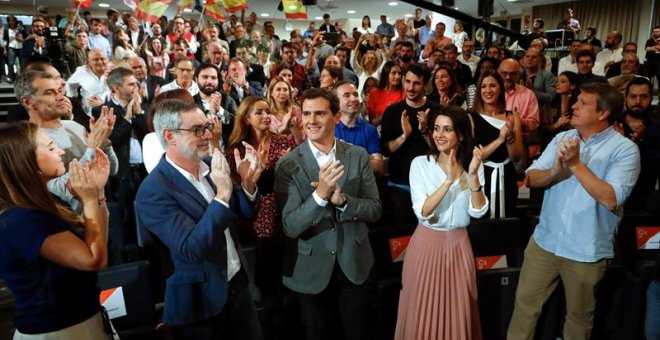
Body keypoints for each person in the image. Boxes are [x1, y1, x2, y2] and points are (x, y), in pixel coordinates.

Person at [508, 83, 640, 340]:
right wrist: (557, 172)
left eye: (582, 103)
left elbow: (611, 199)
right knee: (524, 308)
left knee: (578, 321)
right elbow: (531, 179)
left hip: (586, 251)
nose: (574, 106)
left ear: (603, 113)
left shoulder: (624, 150)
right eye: (576, 100)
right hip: (544, 243)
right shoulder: (561, 138)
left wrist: (575, 164)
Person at [136, 99, 262, 340]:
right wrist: (222, 196)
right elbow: (191, 248)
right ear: (170, 137)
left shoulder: (208, 166)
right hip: (200, 304)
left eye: (207, 127)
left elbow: (245, 214)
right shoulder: (153, 190)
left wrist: (246, 184)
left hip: (238, 287)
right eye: (197, 130)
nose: (208, 135)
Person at [274, 88, 381, 340]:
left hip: (354, 264)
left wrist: (343, 201)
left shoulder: (357, 156)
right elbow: (290, 226)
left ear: (336, 116)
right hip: (311, 270)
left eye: (320, 113)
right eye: (307, 114)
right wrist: (319, 196)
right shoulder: (287, 165)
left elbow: (374, 209)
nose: (311, 121)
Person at [0, 121, 113, 339]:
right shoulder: (20, 221)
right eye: (51, 148)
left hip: (83, 321)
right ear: (25, 162)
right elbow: (93, 260)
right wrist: (88, 200)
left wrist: (98, 195)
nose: (61, 151)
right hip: (57, 332)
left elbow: (97, 244)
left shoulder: (47, 202)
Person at [394, 107, 488, 340]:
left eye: (447, 129)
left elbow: (478, 212)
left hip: (459, 245)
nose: (439, 135)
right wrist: (448, 181)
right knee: (422, 310)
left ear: (462, 135)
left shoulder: (473, 166)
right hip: (427, 245)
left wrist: (473, 176)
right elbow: (423, 211)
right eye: (436, 129)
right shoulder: (420, 164)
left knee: (459, 308)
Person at [226, 96, 296, 313]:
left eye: (268, 112)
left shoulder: (283, 142)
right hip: (254, 214)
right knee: (266, 277)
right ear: (247, 118)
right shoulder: (237, 150)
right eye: (260, 112)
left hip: (284, 208)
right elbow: (237, 189)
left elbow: (294, 178)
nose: (267, 116)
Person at [380, 63, 439, 228]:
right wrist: (404, 136)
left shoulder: (436, 111)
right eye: (408, 82)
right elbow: (385, 150)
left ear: (425, 85)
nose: (410, 88)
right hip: (399, 184)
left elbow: (441, 150)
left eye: (416, 83)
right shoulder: (392, 111)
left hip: (430, 186)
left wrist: (425, 131)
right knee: (402, 237)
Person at [470, 70, 523, 218]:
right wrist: (500, 139)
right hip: (481, 177)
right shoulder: (471, 117)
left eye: (492, 86)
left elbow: (517, 156)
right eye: (484, 86)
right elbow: (475, 157)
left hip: (507, 176)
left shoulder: (512, 116)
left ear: (500, 89)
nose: (488, 90)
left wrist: (510, 135)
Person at [333, 81, 385, 175]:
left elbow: (379, 166)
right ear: (336, 102)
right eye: (347, 95)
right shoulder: (328, 127)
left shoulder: (369, 130)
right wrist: (364, 157)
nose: (353, 99)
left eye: (356, 95)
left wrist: (347, 159)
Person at [367, 61, 405, 126]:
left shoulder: (404, 93)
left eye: (399, 73)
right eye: (394, 73)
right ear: (386, 74)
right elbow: (372, 123)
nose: (397, 76)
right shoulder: (374, 93)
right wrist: (387, 112)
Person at [267, 76, 303, 143]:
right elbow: (265, 139)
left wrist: (291, 125)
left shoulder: (297, 111)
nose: (282, 92)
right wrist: (283, 126)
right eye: (278, 89)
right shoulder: (266, 112)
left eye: (285, 89)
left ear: (289, 93)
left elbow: (302, 139)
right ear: (271, 92)